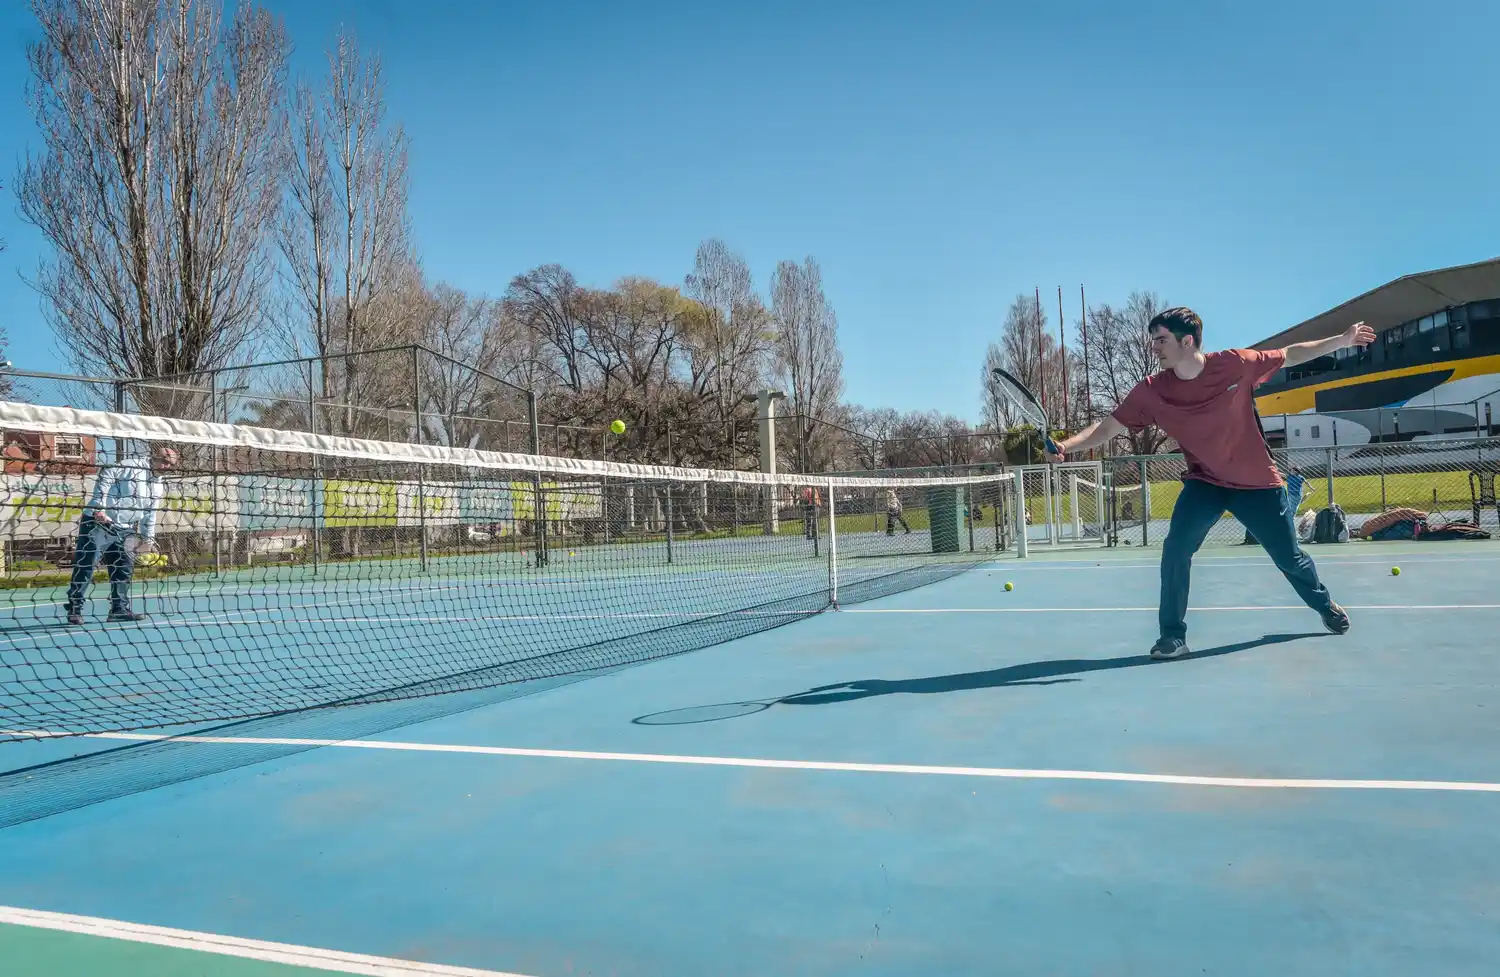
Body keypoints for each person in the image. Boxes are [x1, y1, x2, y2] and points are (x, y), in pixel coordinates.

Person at [1047, 308, 1375, 659]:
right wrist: (1067, 445)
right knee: (1176, 549)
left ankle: (1324, 604)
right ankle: (1172, 636)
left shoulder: (1235, 364)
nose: (1153, 347)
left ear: (1187, 342)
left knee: (1289, 558)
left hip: (1257, 484)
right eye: (1153, 340)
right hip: (1205, 482)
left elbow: (1291, 353)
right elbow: (1109, 426)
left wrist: (1341, 341)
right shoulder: (1151, 390)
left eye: (1161, 340)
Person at [66, 444, 178, 625]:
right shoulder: (131, 466)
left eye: (170, 465)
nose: (166, 466)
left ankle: (118, 609)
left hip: (125, 529)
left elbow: (150, 514)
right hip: (98, 523)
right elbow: (107, 474)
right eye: (164, 462)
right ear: (154, 457)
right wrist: (98, 507)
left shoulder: (158, 486)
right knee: (87, 566)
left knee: (124, 568)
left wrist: (147, 539)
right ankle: (75, 609)